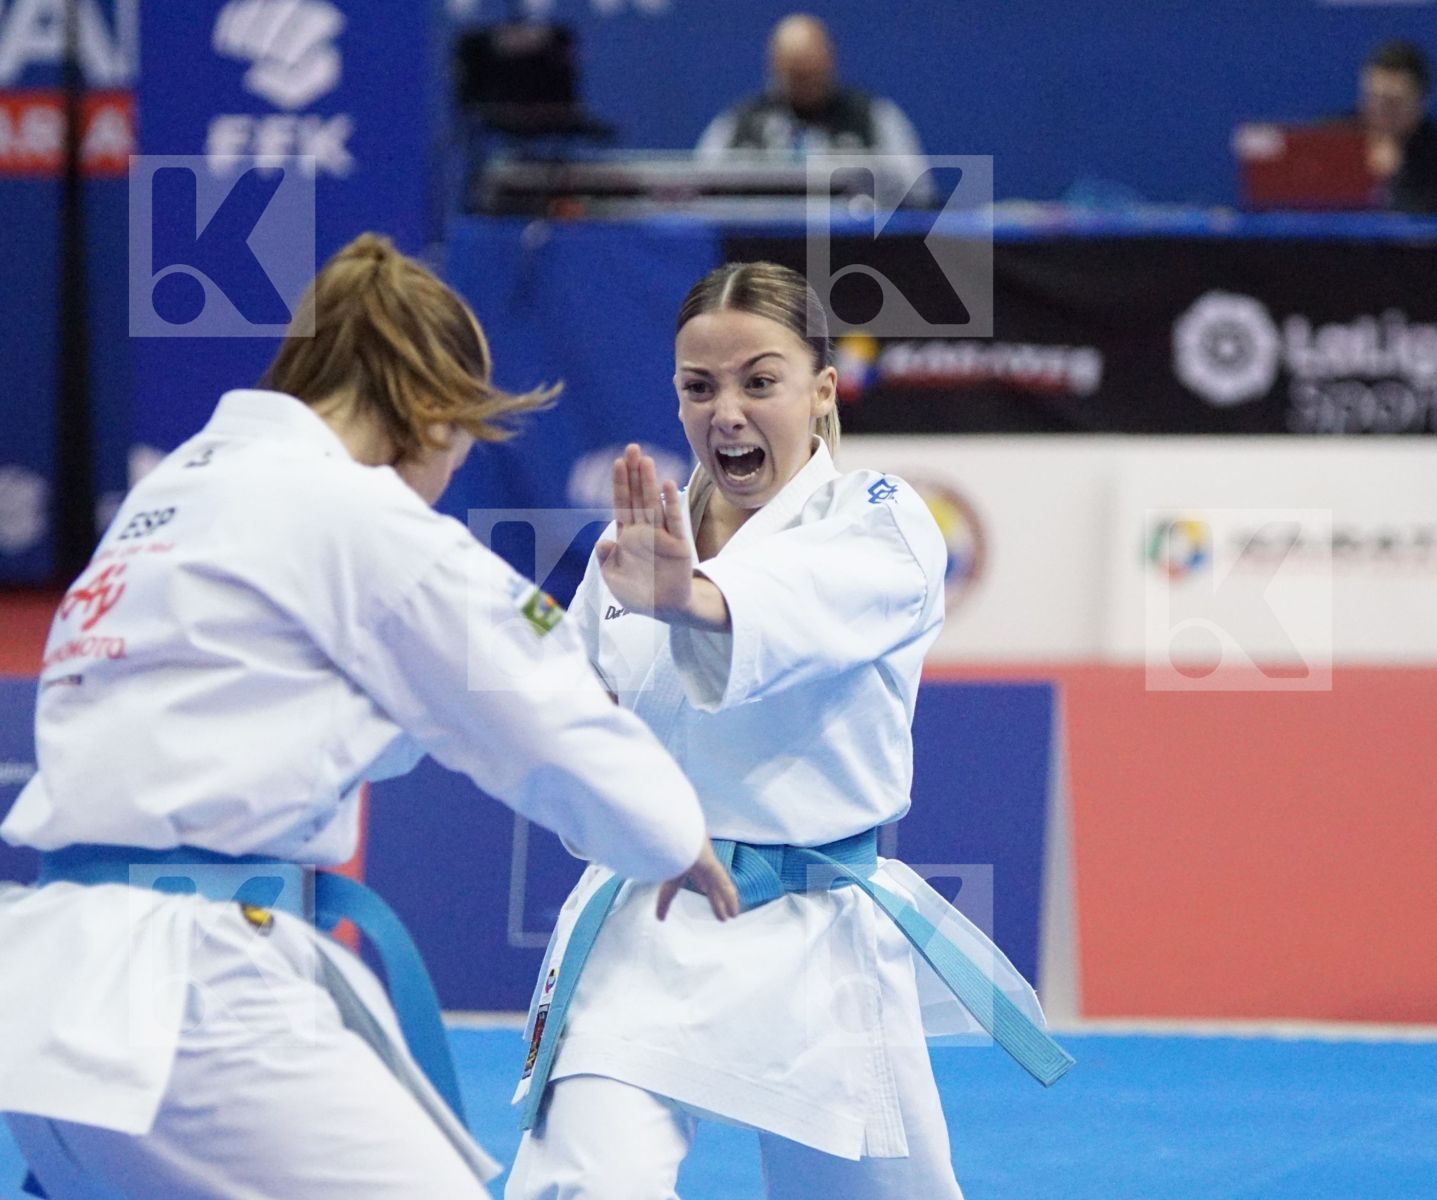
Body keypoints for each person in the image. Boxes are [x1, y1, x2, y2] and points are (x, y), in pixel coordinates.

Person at [0, 233, 739, 1200]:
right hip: (190, 1006)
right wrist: (670, 825)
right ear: (429, 414)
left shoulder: (173, 500)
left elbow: (313, 713)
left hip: (47, 1005)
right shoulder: (353, 514)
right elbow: (542, 709)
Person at [507, 261, 1067, 1200]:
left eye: (759, 382)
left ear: (820, 390)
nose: (727, 410)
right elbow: (567, 730)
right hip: (650, 924)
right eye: (699, 387)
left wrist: (693, 599)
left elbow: (802, 611)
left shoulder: (882, 525)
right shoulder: (634, 554)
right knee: (584, 1184)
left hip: (818, 936)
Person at [696, 13, 930, 194]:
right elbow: (698, 187)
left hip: (854, 247)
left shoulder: (871, 116)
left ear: (830, 62)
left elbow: (918, 191)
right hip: (760, 246)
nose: (805, 84)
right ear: (775, 67)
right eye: (795, 75)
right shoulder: (741, 123)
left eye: (812, 72)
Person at [1360, 40, 1437, 214]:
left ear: (1420, 100)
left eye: (1393, 101)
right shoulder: (1336, 136)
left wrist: (1394, 176)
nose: (1380, 109)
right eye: (1373, 97)